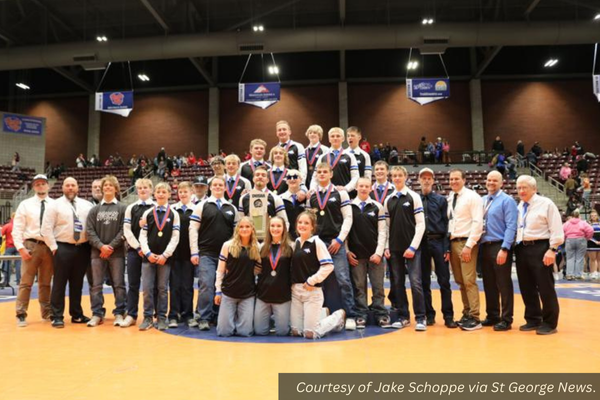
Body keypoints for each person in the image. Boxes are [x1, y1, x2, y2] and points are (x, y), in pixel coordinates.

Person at [308, 162, 356, 329]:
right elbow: (310, 221)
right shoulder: (312, 196)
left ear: (331, 174)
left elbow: (348, 218)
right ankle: (318, 315)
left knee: (343, 279)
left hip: (336, 242)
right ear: (316, 175)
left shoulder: (341, 194)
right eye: (318, 172)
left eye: (324, 172)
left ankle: (350, 315)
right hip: (318, 243)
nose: (321, 174)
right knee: (317, 280)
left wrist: (339, 240)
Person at [41, 177, 93, 328]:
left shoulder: (87, 205)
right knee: (59, 283)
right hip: (62, 247)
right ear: (62, 188)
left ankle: (76, 314)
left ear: (78, 188)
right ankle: (57, 316)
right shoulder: (54, 205)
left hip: (82, 247)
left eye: (73, 185)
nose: (70, 188)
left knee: (77, 283)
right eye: (67, 185)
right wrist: (54, 247)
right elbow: (46, 228)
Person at [515, 175, 564, 335]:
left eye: (524, 188)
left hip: (541, 247)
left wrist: (553, 249)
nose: (521, 191)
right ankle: (533, 319)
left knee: (545, 286)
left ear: (534, 189)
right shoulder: (520, 205)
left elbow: (556, 228)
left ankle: (550, 322)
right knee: (526, 286)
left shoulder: (546, 204)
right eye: (519, 188)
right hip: (522, 247)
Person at [189, 176, 239, 331]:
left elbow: (237, 233)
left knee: (223, 286)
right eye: (215, 185)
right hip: (206, 253)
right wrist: (194, 252)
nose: (217, 187)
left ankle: (218, 315)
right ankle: (203, 316)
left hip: (226, 255)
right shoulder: (202, 206)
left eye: (220, 185)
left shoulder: (232, 208)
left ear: (225, 188)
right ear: (210, 187)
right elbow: (193, 229)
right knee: (206, 284)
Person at [383, 166, 426, 331]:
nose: (397, 178)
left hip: (412, 249)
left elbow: (421, 225)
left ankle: (421, 318)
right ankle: (403, 316)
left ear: (405, 177)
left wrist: (413, 247)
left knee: (415, 283)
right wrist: (387, 246)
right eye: (394, 176)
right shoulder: (389, 200)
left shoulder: (414, 197)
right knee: (398, 284)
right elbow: (386, 227)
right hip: (395, 249)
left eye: (400, 175)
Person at [290, 211, 345, 339]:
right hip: (296, 292)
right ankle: (321, 314)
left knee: (310, 334)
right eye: (300, 222)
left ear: (312, 227)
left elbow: (328, 266)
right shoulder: (296, 243)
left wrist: (312, 281)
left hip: (312, 291)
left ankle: (337, 317)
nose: (302, 225)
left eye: (306, 223)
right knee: (296, 332)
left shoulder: (317, 242)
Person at [12, 174, 55, 327]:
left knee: (45, 283)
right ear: (33, 187)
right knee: (26, 282)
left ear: (48, 186)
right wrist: (21, 247)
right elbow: (17, 228)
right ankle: (21, 313)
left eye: (43, 183)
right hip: (31, 245)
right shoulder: (25, 204)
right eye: (37, 184)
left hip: (49, 246)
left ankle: (47, 313)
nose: (40, 186)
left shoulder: (55, 204)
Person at [347, 177, 389, 328]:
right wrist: (347, 251)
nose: (364, 188)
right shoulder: (350, 207)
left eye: (366, 186)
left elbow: (383, 232)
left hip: (374, 256)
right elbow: (345, 232)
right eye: (361, 186)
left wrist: (379, 253)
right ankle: (361, 314)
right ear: (356, 188)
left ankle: (380, 313)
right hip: (356, 256)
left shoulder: (378, 206)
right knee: (359, 287)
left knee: (378, 286)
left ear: (371, 188)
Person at [85, 175, 127, 327]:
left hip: (117, 254)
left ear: (116, 189)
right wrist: (101, 246)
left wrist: (110, 247)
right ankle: (97, 313)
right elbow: (89, 231)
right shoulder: (94, 210)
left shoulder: (123, 208)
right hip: (97, 253)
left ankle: (119, 312)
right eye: (105, 185)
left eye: (111, 185)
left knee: (119, 284)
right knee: (96, 285)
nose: (107, 187)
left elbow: (124, 230)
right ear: (102, 189)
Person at [138, 183, 181, 331]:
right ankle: (148, 317)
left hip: (165, 259)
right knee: (147, 288)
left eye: (164, 192)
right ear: (154, 195)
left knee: (162, 288)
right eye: (158, 192)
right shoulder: (148, 213)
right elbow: (142, 236)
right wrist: (148, 253)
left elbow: (175, 237)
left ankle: (162, 317)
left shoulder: (174, 214)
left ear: (169, 194)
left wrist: (165, 255)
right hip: (148, 258)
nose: (161, 194)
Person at [479, 171, 518, 332]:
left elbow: (511, 226)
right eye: (489, 180)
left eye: (495, 180)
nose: (491, 183)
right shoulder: (482, 200)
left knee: (503, 283)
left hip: (499, 245)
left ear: (501, 183)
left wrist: (505, 248)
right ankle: (493, 315)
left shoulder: (507, 201)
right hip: (483, 246)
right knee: (488, 283)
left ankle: (506, 318)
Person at [418, 168, 456, 328]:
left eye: (429, 178)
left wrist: (447, 248)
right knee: (424, 281)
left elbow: (447, 224)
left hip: (439, 242)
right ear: (419, 180)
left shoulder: (441, 200)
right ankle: (429, 314)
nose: (426, 180)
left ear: (433, 180)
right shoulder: (415, 199)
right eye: (423, 178)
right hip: (422, 243)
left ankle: (448, 316)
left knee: (444, 281)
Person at [447, 169, 483, 331]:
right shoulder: (450, 198)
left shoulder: (472, 197)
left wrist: (470, 245)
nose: (453, 181)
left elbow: (477, 222)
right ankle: (467, 312)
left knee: (469, 280)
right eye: (451, 179)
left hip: (466, 242)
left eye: (456, 179)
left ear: (464, 179)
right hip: (453, 242)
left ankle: (475, 317)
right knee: (460, 281)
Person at [215, 217, 260, 337]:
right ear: (237, 229)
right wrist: (218, 291)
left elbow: (259, 268)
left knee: (245, 333)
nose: (244, 229)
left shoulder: (257, 247)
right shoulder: (227, 246)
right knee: (224, 332)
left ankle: (237, 319)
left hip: (247, 295)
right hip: (229, 293)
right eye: (241, 226)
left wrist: (248, 274)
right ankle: (231, 318)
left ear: (252, 229)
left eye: (247, 226)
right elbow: (220, 270)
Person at [121, 178, 155, 328]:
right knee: (133, 284)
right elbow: (126, 230)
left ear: (151, 190)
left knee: (152, 285)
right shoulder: (131, 208)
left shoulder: (156, 207)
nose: (142, 190)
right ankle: (132, 314)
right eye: (139, 188)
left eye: (145, 188)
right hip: (135, 252)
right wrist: (138, 247)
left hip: (152, 252)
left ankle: (154, 315)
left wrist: (147, 250)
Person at [254, 216, 293, 336]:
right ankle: (270, 319)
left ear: (284, 228)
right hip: (263, 296)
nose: (275, 229)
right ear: (268, 228)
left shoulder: (291, 247)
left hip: (282, 297)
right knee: (260, 332)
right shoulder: (262, 247)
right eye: (272, 226)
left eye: (278, 226)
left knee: (282, 332)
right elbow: (257, 270)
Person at [169, 182, 196, 328]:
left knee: (187, 285)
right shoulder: (172, 209)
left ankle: (188, 314)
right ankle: (173, 314)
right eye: (181, 191)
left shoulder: (197, 209)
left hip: (189, 253)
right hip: (174, 253)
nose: (183, 194)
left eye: (186, 191)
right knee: (174, 285)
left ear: (191, 192)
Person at [310, 127, 359, 193]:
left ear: (343, 139)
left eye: (338, 136)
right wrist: (312, 189)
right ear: (329, 139)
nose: (335, 138)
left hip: (345, 193)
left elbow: (355, 177)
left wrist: (346, 188)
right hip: (326, 194)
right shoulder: (322, 157)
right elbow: (315, 177)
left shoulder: (350, 156)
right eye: (332, 136)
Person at [563, 209, 593, 281]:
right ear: (579, 215)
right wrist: (587, 237)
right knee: (580, 258)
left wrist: (565, 238)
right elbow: (591, 230)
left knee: (570, 258)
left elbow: (561, 230)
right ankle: (578, 275)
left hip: (569, 240)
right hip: (581, 240)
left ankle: (569, 275)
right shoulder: (583, 222)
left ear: (572, 216)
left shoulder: (567, 223)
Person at [279, 169, 306, 239]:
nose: (292, 179)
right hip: (286, 237)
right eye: (289, 177)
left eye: (295, 177)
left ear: (301, 180)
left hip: (303, 236)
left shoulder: (307, 198)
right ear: (286, 181)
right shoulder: (280, 199)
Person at [1, 212, 20, 287]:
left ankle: (6, 281)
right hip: (18, 246)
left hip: (9, 246)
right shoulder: (20, 226)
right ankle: (19, 281)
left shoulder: (7, 226)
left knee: (7, 264)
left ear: (12, 217)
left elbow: (1, 234)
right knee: (19, 264)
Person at [586, 210, 600, 281]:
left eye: (595, 215)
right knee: (592, 259)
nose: (593, 217)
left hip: (599, 243)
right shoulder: (588, 223)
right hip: (591, 242)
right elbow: (587, 235)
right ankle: (593, 273)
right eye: (592, 216)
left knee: (599, 259)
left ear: (597, 216)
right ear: (590, 217)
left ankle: (598, 272)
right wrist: (595, 241)